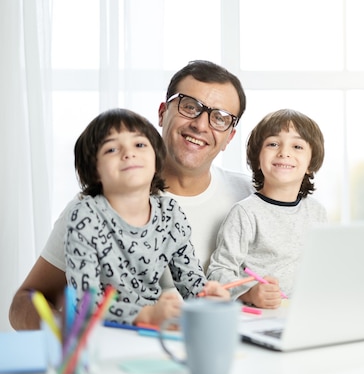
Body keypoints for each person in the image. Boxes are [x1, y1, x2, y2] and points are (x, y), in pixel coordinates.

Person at [9, 60, 254, 329]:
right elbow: (37, 301)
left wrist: (211, 298)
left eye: (219, 117)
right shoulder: (90, 211)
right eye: (189, 106)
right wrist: (71, 334)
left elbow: (196, 287)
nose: (201, 125)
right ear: (162, 113)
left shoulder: (250, 199)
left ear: (230, 135)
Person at [66, 108, 227, 325]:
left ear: (156, 158)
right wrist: (145, 315)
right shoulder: (86, 216)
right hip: (105, 335)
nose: (128, 153)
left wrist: (209, 296)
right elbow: (83, 304)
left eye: (140, 145)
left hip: (155, 330)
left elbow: (193, 286)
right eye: (112, 149)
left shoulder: (169, 213)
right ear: (95, 170)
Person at [207, 109, 327, 309]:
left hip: (305, 313)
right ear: (258, 159)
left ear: (310, 164)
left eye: (297, 146)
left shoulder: (317, 213)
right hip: (261, 314)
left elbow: (323, 268)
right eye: (273, 144)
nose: (284, 153)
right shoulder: (245, 213)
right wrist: (249, 293)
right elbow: (218, 271)